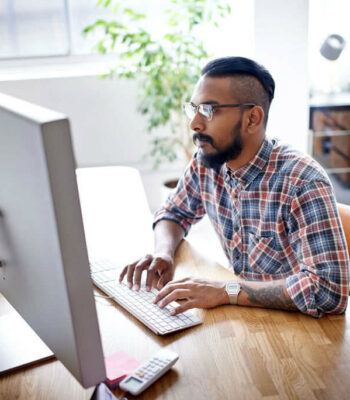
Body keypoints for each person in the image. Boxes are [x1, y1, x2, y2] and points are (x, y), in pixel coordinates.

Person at [120, 56, 350, 318]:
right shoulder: (207, 163)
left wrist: (225, 291)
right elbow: (174, 212)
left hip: (300, 332)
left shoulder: (302, 183)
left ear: (252, 119)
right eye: (193, 108)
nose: (194, 123)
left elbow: (329, 291)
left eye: (209, 110)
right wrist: (163, 253)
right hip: (246, 320)